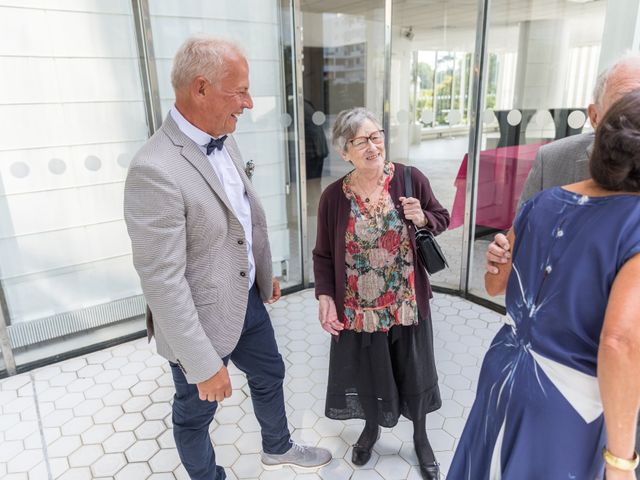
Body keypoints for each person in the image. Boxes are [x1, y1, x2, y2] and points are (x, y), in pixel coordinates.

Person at [123, 36, 330, 480]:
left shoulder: (224, 136)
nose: (250, 102)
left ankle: (277, 447)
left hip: (247, 300)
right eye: (239, 91)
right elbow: (162, 281)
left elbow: (242, 217)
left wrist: (262, 274)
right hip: (197, 321)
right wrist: (202, 364)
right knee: (194, 416)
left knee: (270, 372)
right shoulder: (153, 168)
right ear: (200, 88)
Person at [449, 90, 640, 479]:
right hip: (571, 396)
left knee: (487, 464)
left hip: (504, 367)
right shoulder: (634, 222)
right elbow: (620, 341)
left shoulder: (546, 202)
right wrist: (620, 462)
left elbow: (495, 282)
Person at [313, 107, 450, 480]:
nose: (373, 146)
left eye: (377, 137)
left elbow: (442, 216)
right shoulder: (333, 198)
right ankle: (371, 430)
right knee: (369, 374)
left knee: (414, 371)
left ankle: (421, 439)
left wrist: (422, 217)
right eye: (362, 141)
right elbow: (323, 254)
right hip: (360, 309)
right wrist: (325, 296)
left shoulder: (409, 179)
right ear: (345, 151)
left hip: (406, 303)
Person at [487, 54, 640, 272]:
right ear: (595, 116)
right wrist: (502, 255)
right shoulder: (553, 160)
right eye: (624, 105)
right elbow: (519, 244)